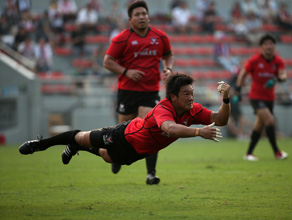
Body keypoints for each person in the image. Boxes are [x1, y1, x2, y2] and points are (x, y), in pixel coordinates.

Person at [18, 74, 231, 179]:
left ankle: (75, 148)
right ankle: (41, 144)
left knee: (107, 157)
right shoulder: (163, 109)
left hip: (137, 151)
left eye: (192, 93)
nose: (191, 98)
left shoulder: (194, 109)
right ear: (173, 97)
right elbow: (170, 129)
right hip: (124, 135)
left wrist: (226, 99)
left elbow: (220, 120)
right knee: (82, 136)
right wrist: (198, 131)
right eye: (186, 94)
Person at [103, 1, 175, 185]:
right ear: (130, 19)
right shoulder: (122, 39)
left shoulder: (160, 37)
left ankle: (151, 174)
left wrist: (168, 68)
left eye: (144, 13)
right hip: (127, 91)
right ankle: (116, 158)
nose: (142, 16)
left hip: (150, 91)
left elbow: (168, 54)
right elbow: (107, 61)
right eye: (137, 14)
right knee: (123, 132)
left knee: (151, 129)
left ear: (149, 16)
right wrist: (126, 72)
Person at [235, 34, 288, 161]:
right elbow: (242, 74)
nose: (269, 46)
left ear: (274, 46)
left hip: (269, 98)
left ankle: (248, 154)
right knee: (269, 121)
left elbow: (284, 75)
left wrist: (276, 79)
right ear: (261, 47)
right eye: (266, 44)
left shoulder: (278, 61)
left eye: (271, 44)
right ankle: (277, 152)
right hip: (256, 97)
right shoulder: (254, 60)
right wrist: (238, 91)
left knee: (259, 125)